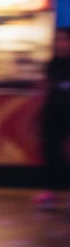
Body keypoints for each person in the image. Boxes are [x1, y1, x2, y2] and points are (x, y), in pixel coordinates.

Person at [33, 27, 70, 207]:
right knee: (50, 152)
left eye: (64, 40)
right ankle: (50, 192)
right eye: (58, 40)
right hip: (52, 113)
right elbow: (45, 87)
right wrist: (37, 112)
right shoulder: (53, 63)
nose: (61, 44)